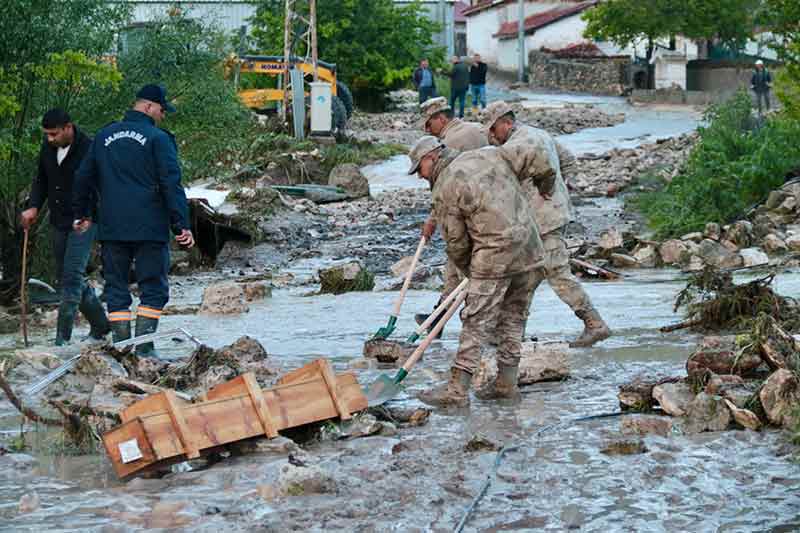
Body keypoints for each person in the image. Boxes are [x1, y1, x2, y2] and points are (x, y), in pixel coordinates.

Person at [407, 136, 545, 408]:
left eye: (419, 170)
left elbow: (456, 243)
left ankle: (457, 391)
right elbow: (533, 164)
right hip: (531, 248)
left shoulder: (445, 185)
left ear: (430, 158)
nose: (420, 178)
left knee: (475, 321)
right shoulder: (490, 153)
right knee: (514, 317)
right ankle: (506, 383)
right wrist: (548, 184)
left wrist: (470, 273)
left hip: (494, 254)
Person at [73, 84, 194, 358]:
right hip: (150, 227)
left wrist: (83, 214)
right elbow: (170, 183)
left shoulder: (103, 136)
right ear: (149, 106)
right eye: (162, 110)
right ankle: (145, 350)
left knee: (116, 288)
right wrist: (181, 225)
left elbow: (82, 177)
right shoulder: (158, 138)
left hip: (113, 227)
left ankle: (121, 347)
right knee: (153, 287)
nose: (162, 116)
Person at [483, 101, 611, 348]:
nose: (491, 135)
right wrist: (561, 192)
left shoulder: (518, 145)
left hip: (544, 221)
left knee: (556, 271)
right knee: (524, 278)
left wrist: (548, 193)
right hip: (547, 216)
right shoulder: (539, 134)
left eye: (493, 129)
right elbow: (568, 161)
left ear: (506, 123)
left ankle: (595, 323)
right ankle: (511, 333)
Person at [20, 109, 109, 346]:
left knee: (71, 277)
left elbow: (98, 185)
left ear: (68, 127)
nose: (50, 139)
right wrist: (34, 206)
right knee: (67, 277)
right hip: (58, 220)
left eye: (54, 134)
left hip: (85, 220)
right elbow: (41, 179)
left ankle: (62, 342)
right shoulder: (48, 147)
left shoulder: (90, 147)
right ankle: (101, 325)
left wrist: (89, 215)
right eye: (47, 135)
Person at [415, 96, 487, 337]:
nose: (427, 131)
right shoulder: (476, 129)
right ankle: (438, 318)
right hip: (489, 205)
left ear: (441, 118)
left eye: (429, 124)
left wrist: (433, 220)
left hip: (467, 211)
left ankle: (460, 321)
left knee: (459, 263)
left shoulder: (445, 145)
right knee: (454, 267)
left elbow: (443, 192)